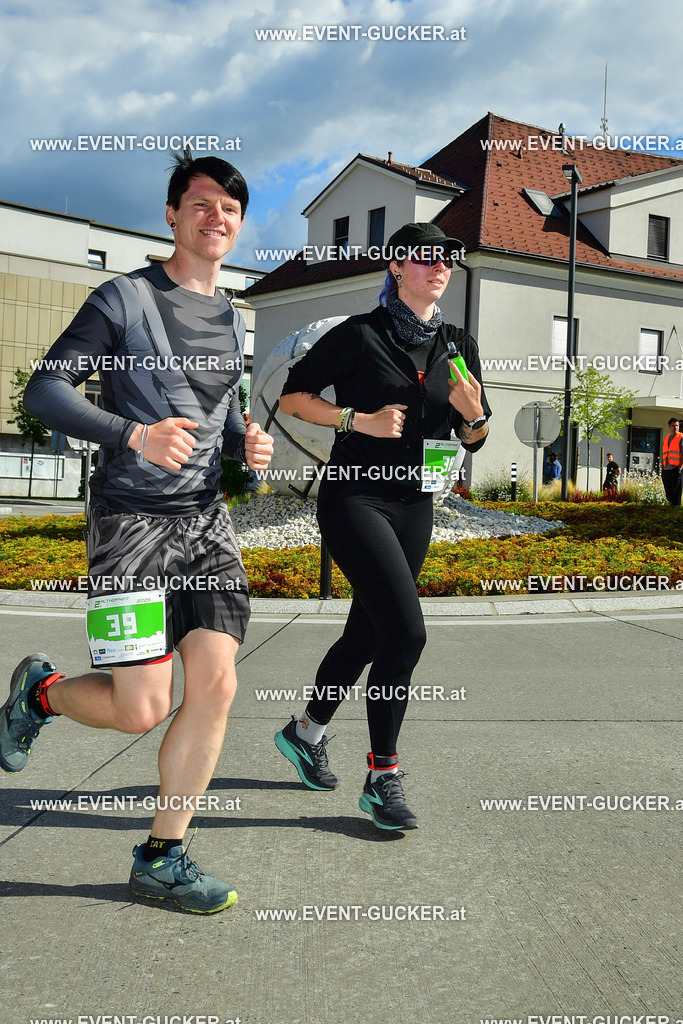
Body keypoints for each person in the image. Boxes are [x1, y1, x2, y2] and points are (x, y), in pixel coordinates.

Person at [0, 154, 273, 913]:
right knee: (142, 707)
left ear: (239, 225)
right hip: (130, 527)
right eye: (200, 204)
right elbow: (46, 389)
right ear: (172, 216)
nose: (215, 217)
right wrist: (133, 435)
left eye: (229, 208)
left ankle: (163, 855)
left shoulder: (229, 316)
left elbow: (213, 427)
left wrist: (243, 448)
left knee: (216, 684)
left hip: (205, 526)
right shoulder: (123, 299)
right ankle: (41, 695)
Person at [274, 222, 490, 830]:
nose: (439, 266)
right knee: (407, 634)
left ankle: (305, 730)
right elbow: (294, 398)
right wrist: (356, 421)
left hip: (415, 504)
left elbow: (476, 434)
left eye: (447, 259)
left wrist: (473, 417)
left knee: (367, 636)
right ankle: (383, 775)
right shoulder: (358, 334)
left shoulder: (457, 344)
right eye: (425, 258)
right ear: (396, 266)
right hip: (355, 499)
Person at [661, 417, 683, 506]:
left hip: (676, 468)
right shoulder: (666, 438)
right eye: (673, 425)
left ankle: (675, 510)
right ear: (669, 426)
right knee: (668, 492)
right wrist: (662, 465)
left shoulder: (681, 437)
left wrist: (680, 466)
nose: (675, 427)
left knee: (676, 492)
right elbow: (664, 452)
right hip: (666, 468)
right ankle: (671, 507)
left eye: (677, 425)